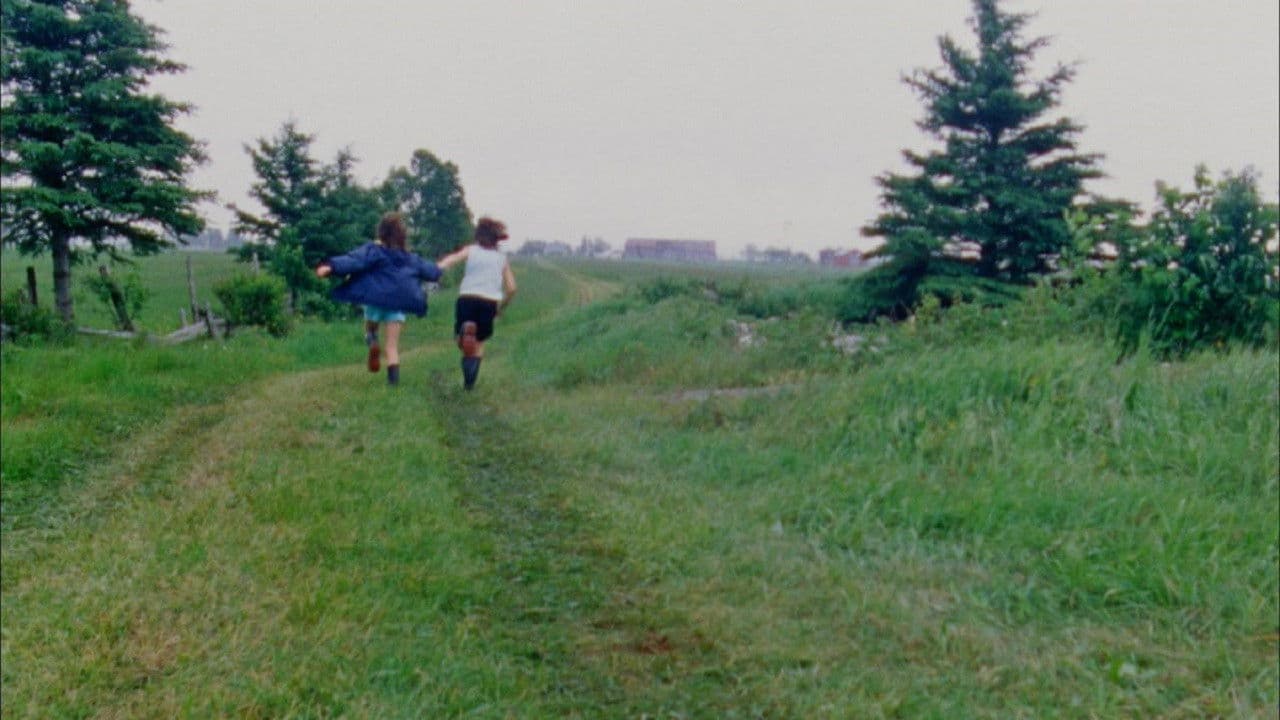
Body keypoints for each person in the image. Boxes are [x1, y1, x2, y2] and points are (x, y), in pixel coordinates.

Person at [316, 212, 442, 386]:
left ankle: (372, 339)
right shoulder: (409, 258)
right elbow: (430, 270)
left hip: (376, 300)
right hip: (397, 305)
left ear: (381, 232)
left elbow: (354, 260)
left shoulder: (374, 250)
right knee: (392, 347)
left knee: (370, 326)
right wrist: (439, 270)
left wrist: (330, 266)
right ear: (402, 235)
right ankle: (393, 384)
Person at [437, 217, 517, 390]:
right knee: (479, 343)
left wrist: (437, 269)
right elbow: (512, 288)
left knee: (463, 341)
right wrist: (501, 308)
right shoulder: (501, 258)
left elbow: (451, 259)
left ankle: (465, 333)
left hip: (467, 298)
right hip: (489, 302)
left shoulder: (471, 250)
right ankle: (469, 385)